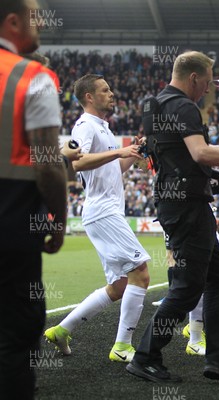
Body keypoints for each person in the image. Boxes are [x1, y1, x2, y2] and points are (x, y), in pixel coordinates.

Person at [126, 51, 219, 384]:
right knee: (187, 289)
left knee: (218, 279)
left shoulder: (151, 105)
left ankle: (218, 360)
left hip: (179, 201)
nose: (208, 90)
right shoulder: (184, 106)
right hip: (187, 204)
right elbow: (199, 152)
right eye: (208, 83)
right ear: (194, 78)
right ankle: (146, 356)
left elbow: (171, 155)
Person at [44, 74, 151, 363]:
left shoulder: (103, 128)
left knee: (120, 286)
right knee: (140, 273)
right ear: (89, 97)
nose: (112, 93)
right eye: (105, 90)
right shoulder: (84, 125)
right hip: (102, 210)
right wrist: (118, 150)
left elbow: (117, 168)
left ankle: (62, 329)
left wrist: (131, 152)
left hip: (106, 210)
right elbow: (76, 161)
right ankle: (122, 346)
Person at [0, 1, 66, 397]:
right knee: (16, 332)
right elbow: (46, 162)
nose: (42, 23)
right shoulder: (33, 77)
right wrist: (56, 222)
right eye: (35, 16)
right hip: (11, 224)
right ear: (13, 21)